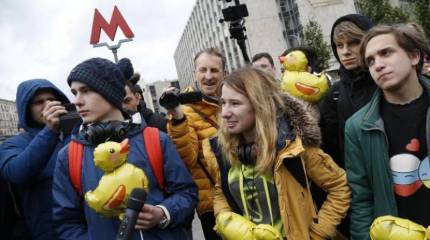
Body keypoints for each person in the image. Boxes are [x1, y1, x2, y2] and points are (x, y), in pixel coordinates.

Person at [52, 57, 197, 240]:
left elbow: (187, 193)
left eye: (86, 91)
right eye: (74, 92)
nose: (77, 101)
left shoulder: (156, 140)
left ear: (110, 92)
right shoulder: (69, 156)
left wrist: (163, 213)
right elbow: (67, 223)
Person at [210, 67, 351, 240]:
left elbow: (339, 187)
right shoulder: (225, 149)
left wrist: (318, 233)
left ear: (259, 104)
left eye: (235, 103)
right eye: (223, 103)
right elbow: (220, 190)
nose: (225, 113)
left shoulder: (295, 148)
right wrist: (225, 218)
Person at [345, 24, 430, 239]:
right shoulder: (357, 127)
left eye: (386, 53)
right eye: (371, 61)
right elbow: (361, 199)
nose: (378, 65)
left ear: (414, 56)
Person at [160, 47, 226, 240]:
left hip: (245, 193)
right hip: (211, 204)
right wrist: (177, 117)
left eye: (214, 70)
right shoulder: (185, 112)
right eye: (203, 70)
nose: (208, 76)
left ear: (224, 73)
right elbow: (186, 160)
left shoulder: (232, 102)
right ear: (195, 73)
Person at [0, 79, 70, 240]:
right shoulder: (12, 144)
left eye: (52, 100)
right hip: (48, 230)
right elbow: (17, 173)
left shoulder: (74, 135)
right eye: (39, 102)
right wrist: (50, 130)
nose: (48, 105)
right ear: (27, 109)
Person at [319, 14, 376, 168]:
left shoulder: (387, 83)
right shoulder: (333, 95)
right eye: (339, 45)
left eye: (354, 43)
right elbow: (331, 151)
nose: (345, 51)